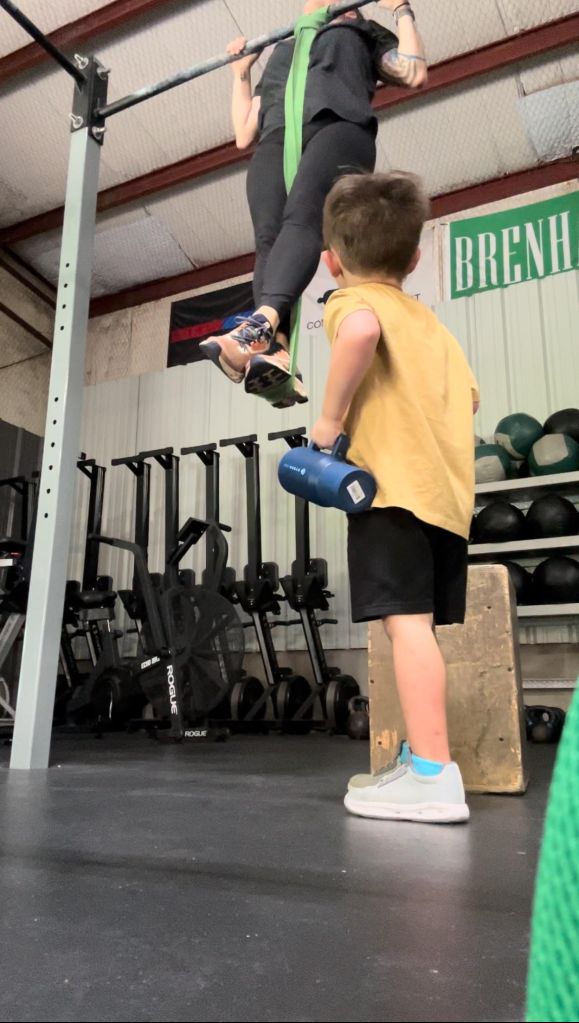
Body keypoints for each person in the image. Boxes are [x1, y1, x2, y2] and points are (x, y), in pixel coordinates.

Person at [311, 171, 480, 824]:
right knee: (419, 628)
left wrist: (330, 422)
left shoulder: (348, 301)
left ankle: (434, 774)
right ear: (413, 260)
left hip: (392, 493)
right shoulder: (433, 327)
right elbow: (467, 400)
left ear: (332, 261)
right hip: (445, 501)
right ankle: (421, 759)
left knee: (404, 626)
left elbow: (358, 335)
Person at [200, 1, 427, 403]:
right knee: (268, 240)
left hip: (337, 125)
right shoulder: (285, 47)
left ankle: (259, 327)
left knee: (301, 216)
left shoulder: (362, 31)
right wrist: (241, 74)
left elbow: (413, 71)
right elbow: (244, 132)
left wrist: (402, 10)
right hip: (277, 138)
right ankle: (277, 351)